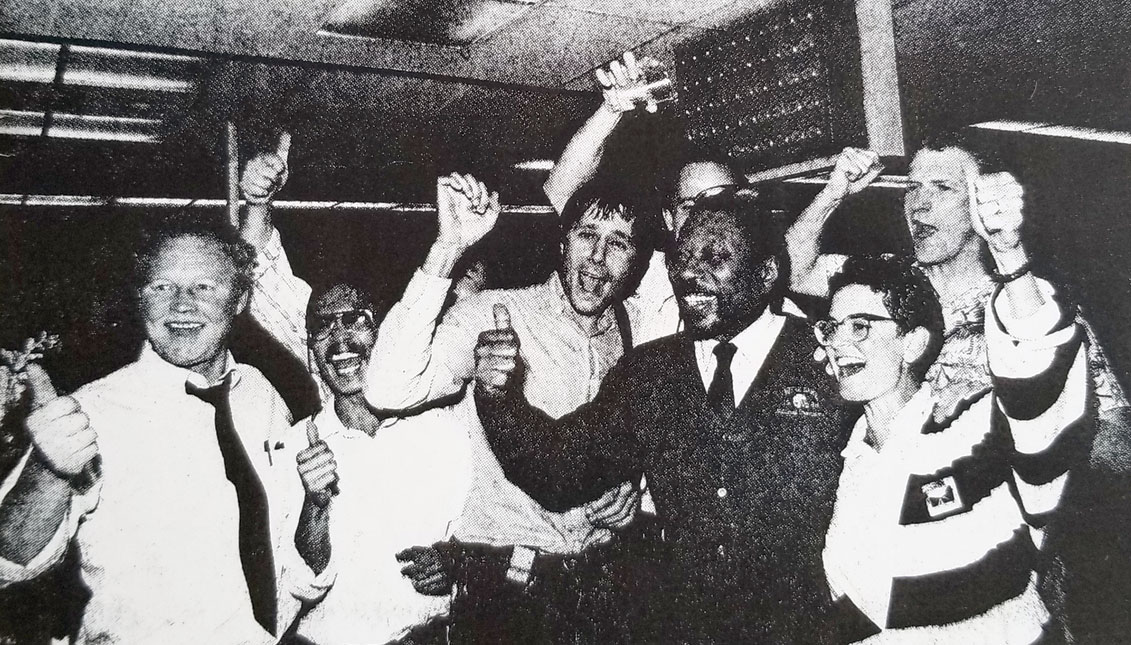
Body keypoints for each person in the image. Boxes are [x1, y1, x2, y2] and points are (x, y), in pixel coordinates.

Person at [472, 191, 855, 643]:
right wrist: (498, 394)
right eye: (683, 257)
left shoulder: (828, 362)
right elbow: (558, 471)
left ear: (766, 273)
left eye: (715, 257)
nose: (690, 274)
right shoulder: (651, 373)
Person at [786, 139, 1131, 640]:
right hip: (897, 543)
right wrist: (835, 190)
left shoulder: (1022, 311)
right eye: (912, 187)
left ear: (981, 205)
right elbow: (791, 270)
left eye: (941, 188)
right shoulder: (890, 288)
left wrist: (1006, 420)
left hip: (999, 567)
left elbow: (1118, 444)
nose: (918, 204)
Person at [0, 214, 334, 643]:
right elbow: (9, 558)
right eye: (162, 287)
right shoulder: (94, 410)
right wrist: (47, 470)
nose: (181, 305)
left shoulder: (261, 393)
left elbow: (282, 543)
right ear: (141, 300)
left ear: (239, 300)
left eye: (203, 287)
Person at [365, 171, 659, 643]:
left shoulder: (636, 330)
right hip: (503, 590)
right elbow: (385, 389)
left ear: (637, 261)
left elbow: (638, 436)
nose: (598, 259)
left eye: (619, 243)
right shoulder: (493, 312)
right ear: (562, 243)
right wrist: (448, 249)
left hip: (599, 588)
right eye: (587, 236)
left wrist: (633, 486)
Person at [818, 253, 1087, 643]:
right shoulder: (846, 459)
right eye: (831, 328)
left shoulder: (971, 424)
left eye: (860, 327)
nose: (837, 343)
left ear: (911, 343)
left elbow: (1039, 370)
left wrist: (1011, 260)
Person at [543, 51, 747, 344]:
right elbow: (563, 192)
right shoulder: (650, 280)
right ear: (669, 218)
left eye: (720, 203)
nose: (705, 220)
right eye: (690, 206)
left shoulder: (770, 294)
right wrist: (611, 110)